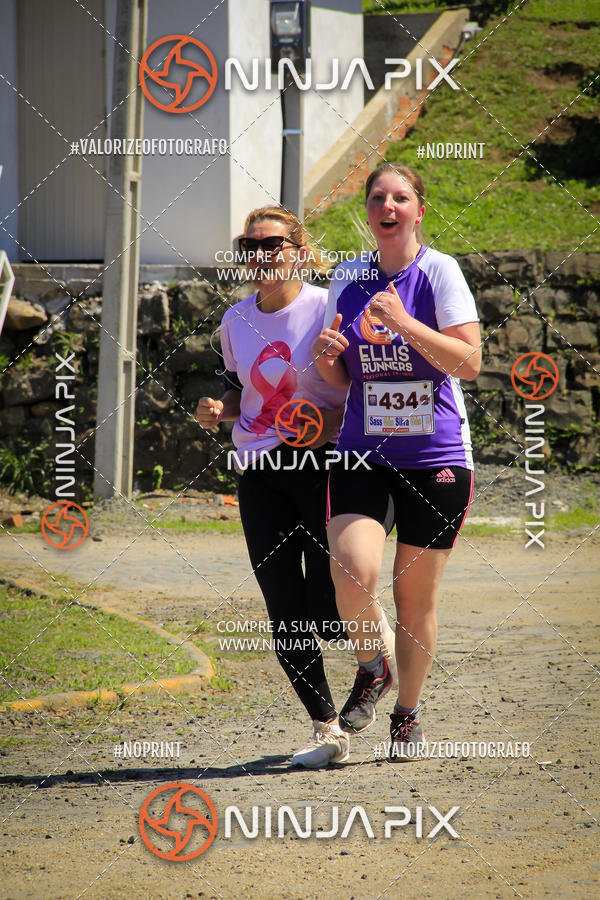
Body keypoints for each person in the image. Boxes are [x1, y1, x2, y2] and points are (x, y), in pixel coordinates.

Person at [196, 205, 395, 768]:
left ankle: (375, 663)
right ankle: (326, 727)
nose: (261, 255)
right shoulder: (235, 321)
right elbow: (241, 394)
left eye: (272, 243)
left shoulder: (327, 306)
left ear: (300, 250)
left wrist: (329, 425)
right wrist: (220, 409)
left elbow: (363, 381)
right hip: (259, 470)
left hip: (324, 464)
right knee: (282, 603)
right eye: (250, 246)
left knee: (328, 601)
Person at [312, 163, 481, 760]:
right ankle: (370, 666)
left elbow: (469, 362)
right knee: (351, 572)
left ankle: (407, 714)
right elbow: (337, 377)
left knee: (414, 601)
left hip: (435, 455)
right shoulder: (348, 278)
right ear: (368, 211)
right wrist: (327, 354)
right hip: (363, 450)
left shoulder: (439, 272)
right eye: (378, 197)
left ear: (418, 211)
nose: (388, 206)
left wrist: (406, 323)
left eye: (400, 198)